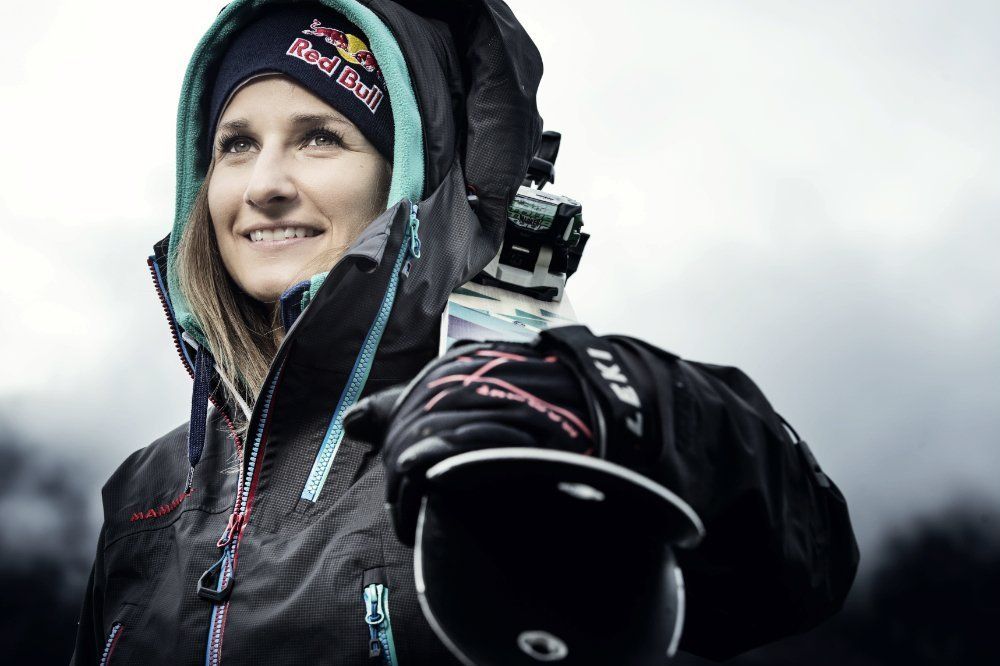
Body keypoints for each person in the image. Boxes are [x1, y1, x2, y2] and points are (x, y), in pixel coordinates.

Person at [71, 0, 859, 664]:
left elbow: (801, 566)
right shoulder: (148, 488)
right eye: (236, 144)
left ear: (408, 175)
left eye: (321, 137)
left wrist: (621, 403)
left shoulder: (506, 427)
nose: (265, 184)